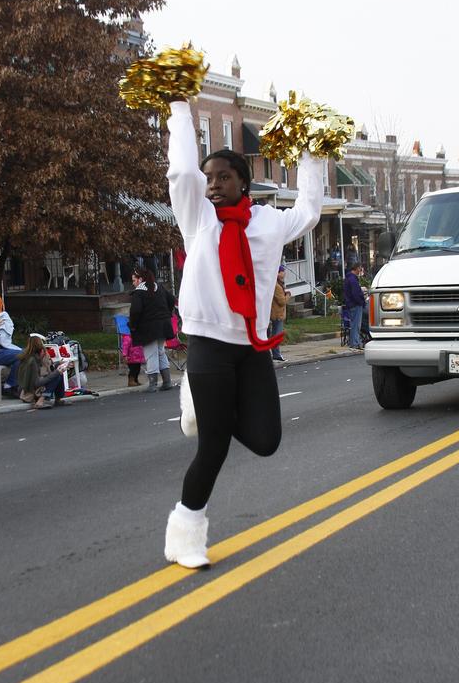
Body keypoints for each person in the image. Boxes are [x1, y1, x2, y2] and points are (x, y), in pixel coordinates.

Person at [163, 99, 323, 568]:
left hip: (251, 347)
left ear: (244, 184)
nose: (213, 184)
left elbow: (311, 210)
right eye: (209, 178)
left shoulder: (270, 222)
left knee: (267, 439)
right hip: (209, 345)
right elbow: (182, 176)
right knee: (212, 445)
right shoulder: (199, 219)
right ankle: (185, 534)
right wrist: (178, 109)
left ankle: (203, 402)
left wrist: (313, 152)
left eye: (223, 178)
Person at [128, 267, 176, 392]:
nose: (133, 283)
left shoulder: (139, 292)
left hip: (148, 327)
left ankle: (153, 384)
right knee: (160, 351)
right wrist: (166, 313)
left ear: (140, 279)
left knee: (151, 354)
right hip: (163, 324)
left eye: (134, 280)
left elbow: (135, 311)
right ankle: (167, 381)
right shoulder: (158, 287)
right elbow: (171, 299)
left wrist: (133, 325)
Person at [17, 334, 68, 409]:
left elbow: (47, 371)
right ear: (40, 350)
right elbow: (36, 383)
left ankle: (58, 398)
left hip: (31, 387)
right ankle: (40, 401)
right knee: (56, 376)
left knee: (58, 374)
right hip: (29, 391)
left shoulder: (32, 359)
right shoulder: (32, 362)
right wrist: (56, 372)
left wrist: (58, 365)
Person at [268, 265, 291, 362]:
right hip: (277, 314)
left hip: (278, 313)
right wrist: (288, 296)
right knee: (277, 335)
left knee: (276, 334)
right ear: (278, 273)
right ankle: (276, 354)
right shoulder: (277, 286)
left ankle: (275, 353)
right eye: (282, 271)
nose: (284, 273)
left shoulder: (279, 284)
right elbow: (281, 301)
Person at [343, 261, 366, 349]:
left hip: (350, 304)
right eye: (360, 268)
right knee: (356, 325)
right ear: (357, 268)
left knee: (354, 324)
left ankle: (354, 342)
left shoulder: (348, 278)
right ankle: (355, 343)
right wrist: (361, 302)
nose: (360, 270)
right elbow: (355, 293)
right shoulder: (353, 279)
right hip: (355, 304)